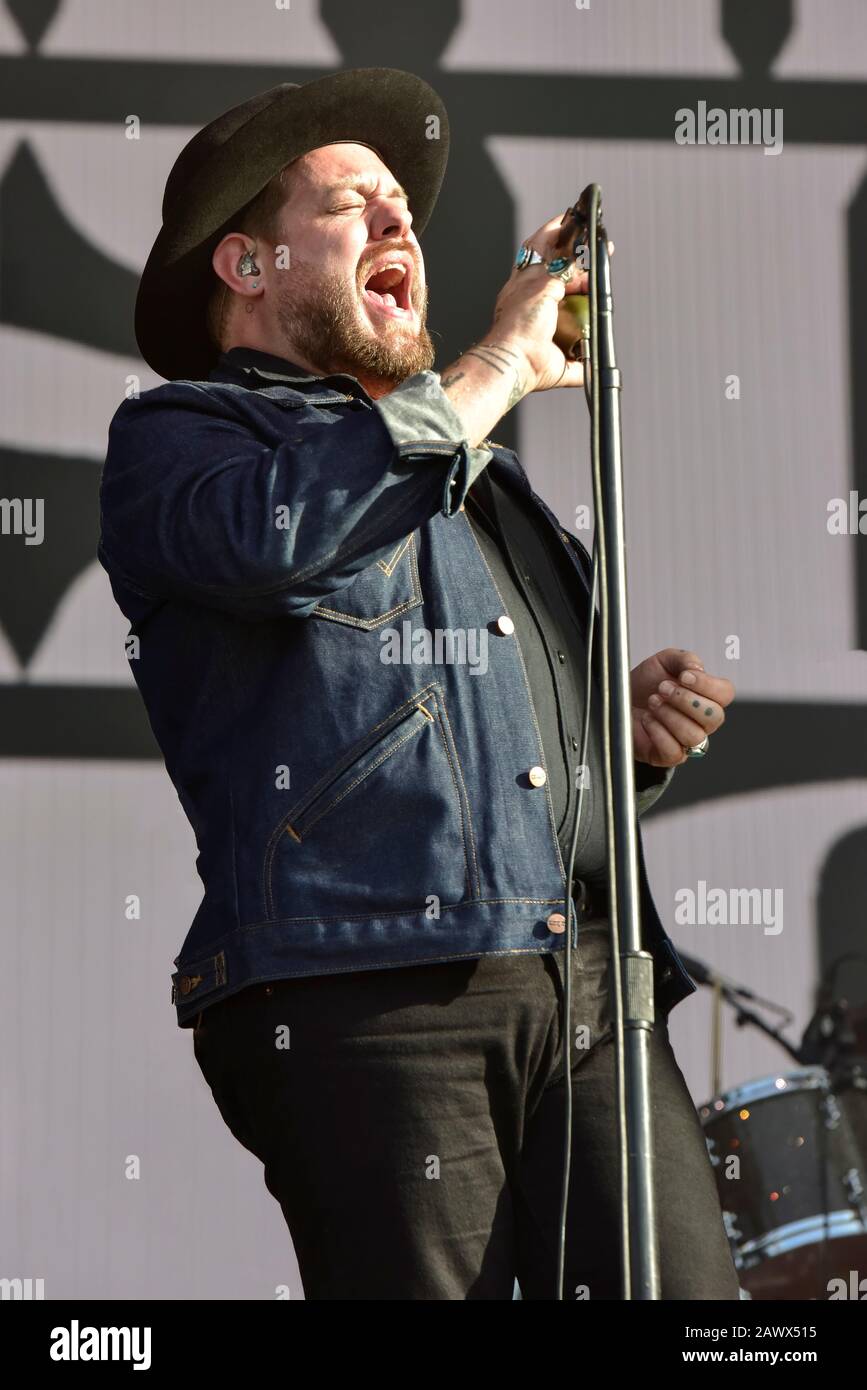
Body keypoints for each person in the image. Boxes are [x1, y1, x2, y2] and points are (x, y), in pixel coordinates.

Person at [99, 68, 739, 1300]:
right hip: (373, 986)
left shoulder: (481, 481)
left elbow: (505, 765)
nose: (404, 225)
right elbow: (285, 543)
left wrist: (631, 751)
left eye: (406, 206)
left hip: (594, 980)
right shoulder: (184, 437)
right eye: (357, 206)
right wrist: (496, 361)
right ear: (246, 266)